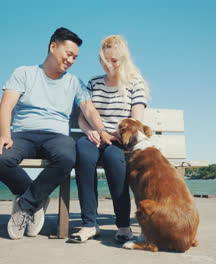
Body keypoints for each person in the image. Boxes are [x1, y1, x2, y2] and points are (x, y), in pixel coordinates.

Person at [0, 27, 113, 240]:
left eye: (75, 57)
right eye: (68, 54)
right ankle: (36, 200)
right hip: (23, 134)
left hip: (56, 137)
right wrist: (5, 135)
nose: (72, 60)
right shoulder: (24, 73)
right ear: (53, 47)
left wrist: (101, 130)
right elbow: (6, 106)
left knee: (68, 157)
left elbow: (89, 109)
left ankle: (25, 205)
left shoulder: (75, 82)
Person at [69, 35, 150, 243]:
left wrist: (113, 134)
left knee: (116, 161)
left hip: (119, 141)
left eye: (114, 61)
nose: (109, 65)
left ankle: (123, 226)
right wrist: (89, 131)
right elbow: (83, 117)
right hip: (95, 137)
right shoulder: (94, 82)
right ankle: (89, 224)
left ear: (123, 60)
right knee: (83, 153)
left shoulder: (134, 83)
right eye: (104, 61)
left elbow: (136, 119)